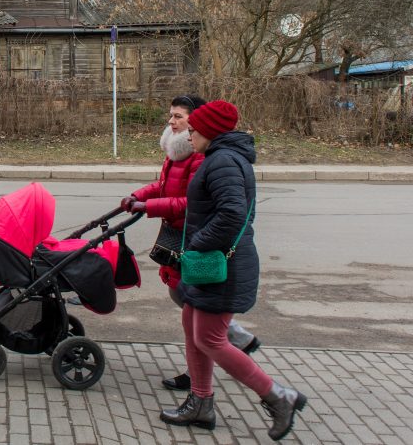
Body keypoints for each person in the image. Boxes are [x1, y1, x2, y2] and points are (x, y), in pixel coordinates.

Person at [159, 100, 307, 441]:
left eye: (194, 128)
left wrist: (194, 245)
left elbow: (232, 215)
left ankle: (277, 396)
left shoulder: (223, 161)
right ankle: (200, 403)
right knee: (193, 327)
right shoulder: (217, 158)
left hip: (222, 263)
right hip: (213, 261)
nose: (188, 133)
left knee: (211, 338)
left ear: (209, 131)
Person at [121, 95, 259, 392]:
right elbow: (165, 185)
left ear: (197, 122)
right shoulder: (178, 151)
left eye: (178, 117)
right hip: (180, 237)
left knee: (197, 318)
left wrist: (151, 208)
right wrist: (140, 195)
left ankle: (230, 358)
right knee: (182, 300)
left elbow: (195, 202)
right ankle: (217, 358)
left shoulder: (204, 155)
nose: (171, 122)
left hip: (192, 241)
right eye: (170, 116)